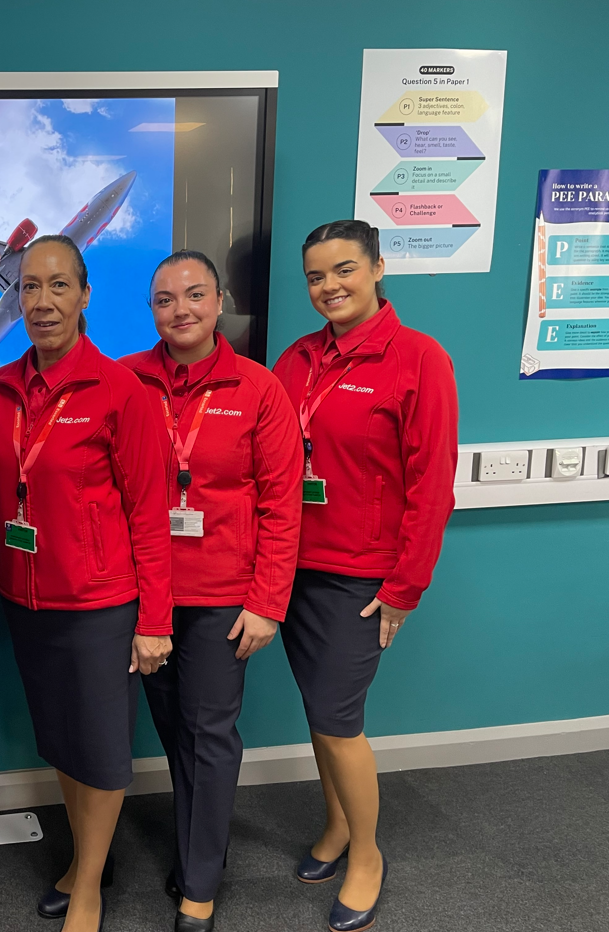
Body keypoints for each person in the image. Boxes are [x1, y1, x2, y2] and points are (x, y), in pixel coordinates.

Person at [272, 220, 458, 932]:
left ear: (378, 267)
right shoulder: (296, 359)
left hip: (361, 579)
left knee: (337, 719)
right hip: (293, 570)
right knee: (320, 716)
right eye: (315, 276)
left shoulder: (417, 359)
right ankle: (336, 826)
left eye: (343, 270)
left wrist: (402, 589)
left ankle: (367, 855)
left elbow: (430, 484)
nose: (329, 287)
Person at [0, 234, 173, 932]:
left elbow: (149, 516)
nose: (41, 301)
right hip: (27, 599)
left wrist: (154, 620)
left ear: (85, 293)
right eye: (29, 287)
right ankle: (83, 861)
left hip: (99, 605)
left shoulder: (119, 391)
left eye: (57, 285)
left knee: (98, 749)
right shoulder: (0, 387)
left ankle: (89, 884)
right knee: (62, 742)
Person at [121, 250, 303, 932]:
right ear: (151, 311)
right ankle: (203, 846)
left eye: (193, 295)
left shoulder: (257, 389)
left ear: (219, 300)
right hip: (143, 591)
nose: (180, 310)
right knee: (176, 733)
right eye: (164, 299)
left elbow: (283, 504)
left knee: (208, 734)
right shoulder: (124, 380)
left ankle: (199, 879)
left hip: (224, 596)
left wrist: (266, 602)